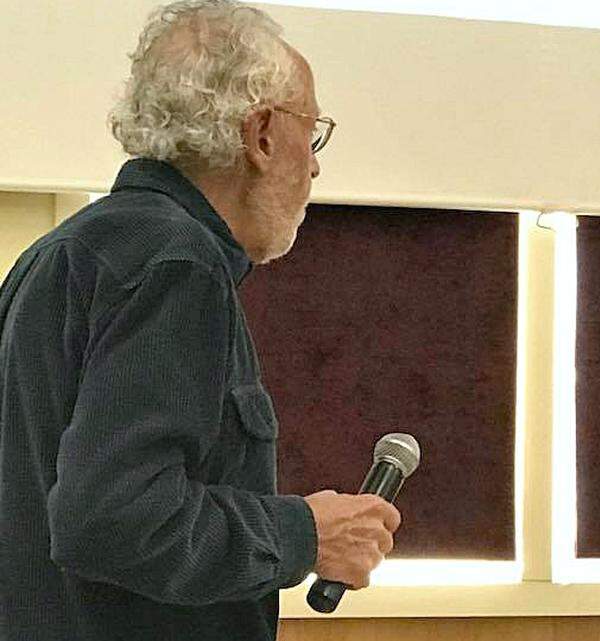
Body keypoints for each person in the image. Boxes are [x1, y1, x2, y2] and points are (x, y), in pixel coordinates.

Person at [0, 2, 399, 639]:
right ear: (263, 135)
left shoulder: (59, 254)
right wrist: (304, 535)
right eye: (312, 132)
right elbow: (113, 520)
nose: (317, 164)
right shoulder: (177, 266)